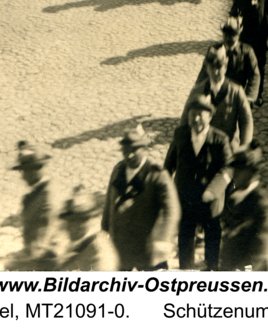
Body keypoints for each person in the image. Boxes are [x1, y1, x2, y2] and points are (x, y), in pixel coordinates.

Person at [164, 99, 233, 270]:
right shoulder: (181, 134)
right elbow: (169, 164)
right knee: (185, 234)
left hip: (210, 199)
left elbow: (229, 168)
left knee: (212, 236)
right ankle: (186, 270)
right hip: (185, 196)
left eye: (200, 116)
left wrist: (213, 190)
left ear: (209, 117)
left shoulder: (220, 139)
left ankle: (211, 270)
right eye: (192, 115)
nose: (196, 120)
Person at [102, 125, 180, 271]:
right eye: (126, 150)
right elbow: (109, 201)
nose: (129, 155)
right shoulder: (118, 170)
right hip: (120, 245)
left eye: (134, 150)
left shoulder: (156, 175)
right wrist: (105, 229)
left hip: (148, 249)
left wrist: (163, 240)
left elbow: (172, 210)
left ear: (144, 149)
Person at [219, 141, 268, 271]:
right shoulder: (234, 198)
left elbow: (259, 252)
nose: (235, 175)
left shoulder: (263, 206)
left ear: (252, 173)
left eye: (240, 170)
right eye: (234, 170)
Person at [181, 49, 254, 151]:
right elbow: (185, 120)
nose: (215, 72)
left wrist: (244, 147)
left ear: (225, 67)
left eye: (219, 67)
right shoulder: (198, 90)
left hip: (229, 148)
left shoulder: (236, 91)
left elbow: (246, 120)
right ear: (206, 68)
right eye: (212, 67)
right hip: (205, 148)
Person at [5, 141, 57, 270]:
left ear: (35, 170)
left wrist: (26, 261)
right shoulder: (38, 193)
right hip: (35, 255)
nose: (22, 177)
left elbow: (47, 235)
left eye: (24, 172)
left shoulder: (45, 195)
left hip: (45, 261)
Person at [194, 17, 260, 104]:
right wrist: (197, 93)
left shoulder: (246, 51)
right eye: (226, 34)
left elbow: (255, 75)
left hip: (236, 97)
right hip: (217, 95)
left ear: (238, 34)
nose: (229, 38)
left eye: (232, 35)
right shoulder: (214, 49)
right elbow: (204, 72)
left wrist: (249, 97)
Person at [57, 186, 119, 271]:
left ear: (83, 223)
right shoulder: (81, 244)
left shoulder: (100, 254)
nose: (67, 228)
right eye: (68, 221)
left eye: (71, 222)